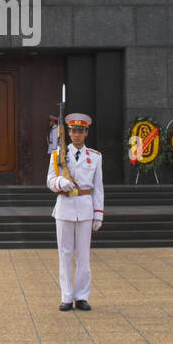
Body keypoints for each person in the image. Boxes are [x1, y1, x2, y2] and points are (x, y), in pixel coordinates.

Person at [46, 112, 104, 312]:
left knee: (84, 256)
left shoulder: (95, 157)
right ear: (68, 133)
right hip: (64, 207)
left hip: (86, 208)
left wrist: (98, 214)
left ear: (86, 133)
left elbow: (98, 187)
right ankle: (66, 296)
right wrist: (60, 182)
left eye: (80, 131)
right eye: (73, 131)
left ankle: (81, 296)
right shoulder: (58, 155)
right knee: (65, 254)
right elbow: (50, 180)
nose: (76, 135)